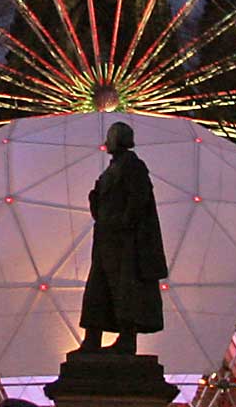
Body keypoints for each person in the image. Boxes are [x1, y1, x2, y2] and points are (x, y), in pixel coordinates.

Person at [77, 121, 167, 354]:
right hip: (107, 238)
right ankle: (92, 338)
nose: (106, 142)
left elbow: (139, 198)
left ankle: (127, 339)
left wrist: (125, 221)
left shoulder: (132, 166)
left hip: (124, 241)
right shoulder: (114, 167)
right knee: (99, 287)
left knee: (125, 289)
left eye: (110, 137)